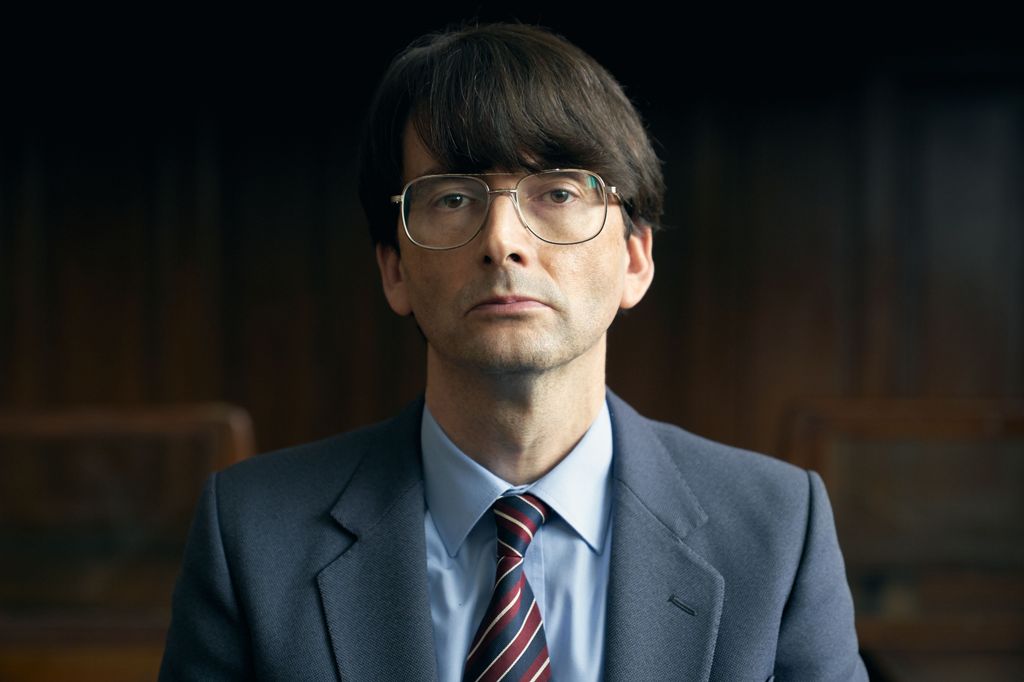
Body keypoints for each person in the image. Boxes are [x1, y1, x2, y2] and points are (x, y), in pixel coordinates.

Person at [160, 22, 868, 682]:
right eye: (452, 199)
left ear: (635, 259)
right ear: (394, 269)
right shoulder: (252, 535)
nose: (503, 240)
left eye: (557, 192)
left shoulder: (778, 531)